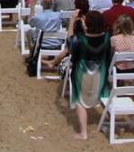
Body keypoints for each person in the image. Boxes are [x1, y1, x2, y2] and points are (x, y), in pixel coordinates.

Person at [46, 12, 111, 140]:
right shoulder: (107, 37)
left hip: (82, 72)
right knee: (102, 95)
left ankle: (83, 133)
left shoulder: (79, 39)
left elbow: (70, 40)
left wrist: (72, 21)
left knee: (80, 101)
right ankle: (111, 120)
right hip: (101, 71)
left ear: (88, 24)